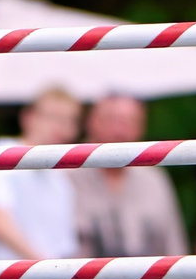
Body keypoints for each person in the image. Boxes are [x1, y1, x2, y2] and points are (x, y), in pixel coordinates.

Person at [69, 95, 186, 258]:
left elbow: (173, 244)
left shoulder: (155, 179)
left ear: (142, 127)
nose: (120, 131)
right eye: (112, 120)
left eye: (130, 122)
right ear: (91, 121)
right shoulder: (65, 174)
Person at [0, 89, 83, 260]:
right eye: (54, 117)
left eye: (70, 120)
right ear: (28, 117)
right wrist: (46, 266)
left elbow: (65, 247)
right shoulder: (3, 151)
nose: (61, 128)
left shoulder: (63, 179)